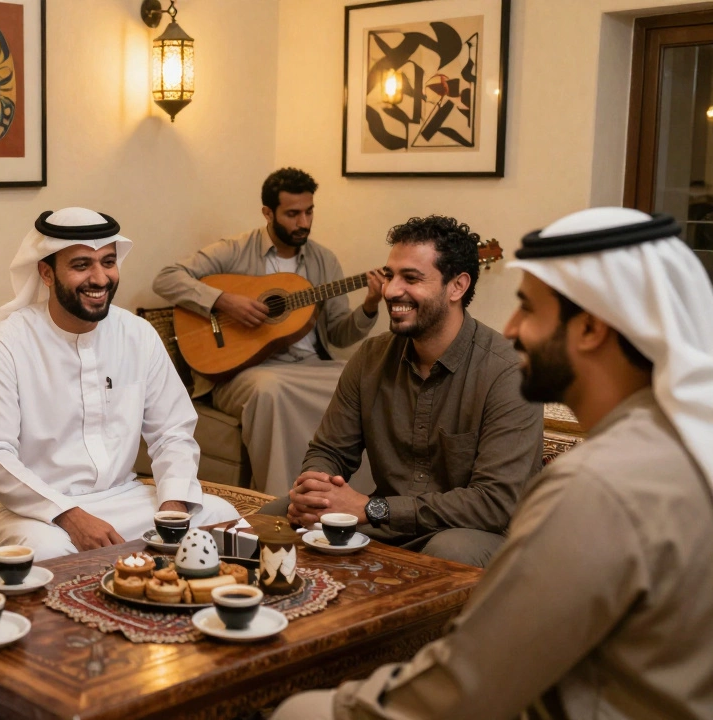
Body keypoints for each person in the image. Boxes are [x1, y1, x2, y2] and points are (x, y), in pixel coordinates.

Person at [273, 208, 713, 719]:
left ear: (591, 329)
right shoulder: (670, 446)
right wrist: (318, 486)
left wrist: (321, 705)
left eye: (528, 309)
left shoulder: (594, 485)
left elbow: (466, 686)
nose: (512, 327)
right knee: (280, 511)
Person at [0, 208, 241, 561]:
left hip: (120, 497)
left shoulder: (137, 334)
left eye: (108, 262)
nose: (100, 278)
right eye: (81, 265)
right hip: (21, 511)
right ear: (46, 273)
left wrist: (173, 505)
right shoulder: (4, 344)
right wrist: (71, 517)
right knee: (50, 552)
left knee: (224, 522)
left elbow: (172, 433)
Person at [263, 215, 543, 568]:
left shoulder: (508, 372)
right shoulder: (370, 357)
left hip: (481, 534)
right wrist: (317, 491)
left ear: (457, 286)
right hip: (389, 525)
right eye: (391, 275)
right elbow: (330, 449)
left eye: (411, 278)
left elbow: (492, 504)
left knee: (449, 552)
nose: (391, 290)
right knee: (268, 519)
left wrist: (369, 508)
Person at [153, 168, 385, 496]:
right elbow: (166, 278)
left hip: (309, 368)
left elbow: (339, 334)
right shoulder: (235, 250)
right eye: (292, 214)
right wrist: (224, 301)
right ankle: (279, 503)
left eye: (309, 212)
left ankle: (350, 500)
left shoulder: (323, 260)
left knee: (366, 382)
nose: (303, 222)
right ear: (268, 213)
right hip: (242, 371)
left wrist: (371, 305)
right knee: (270, 390)